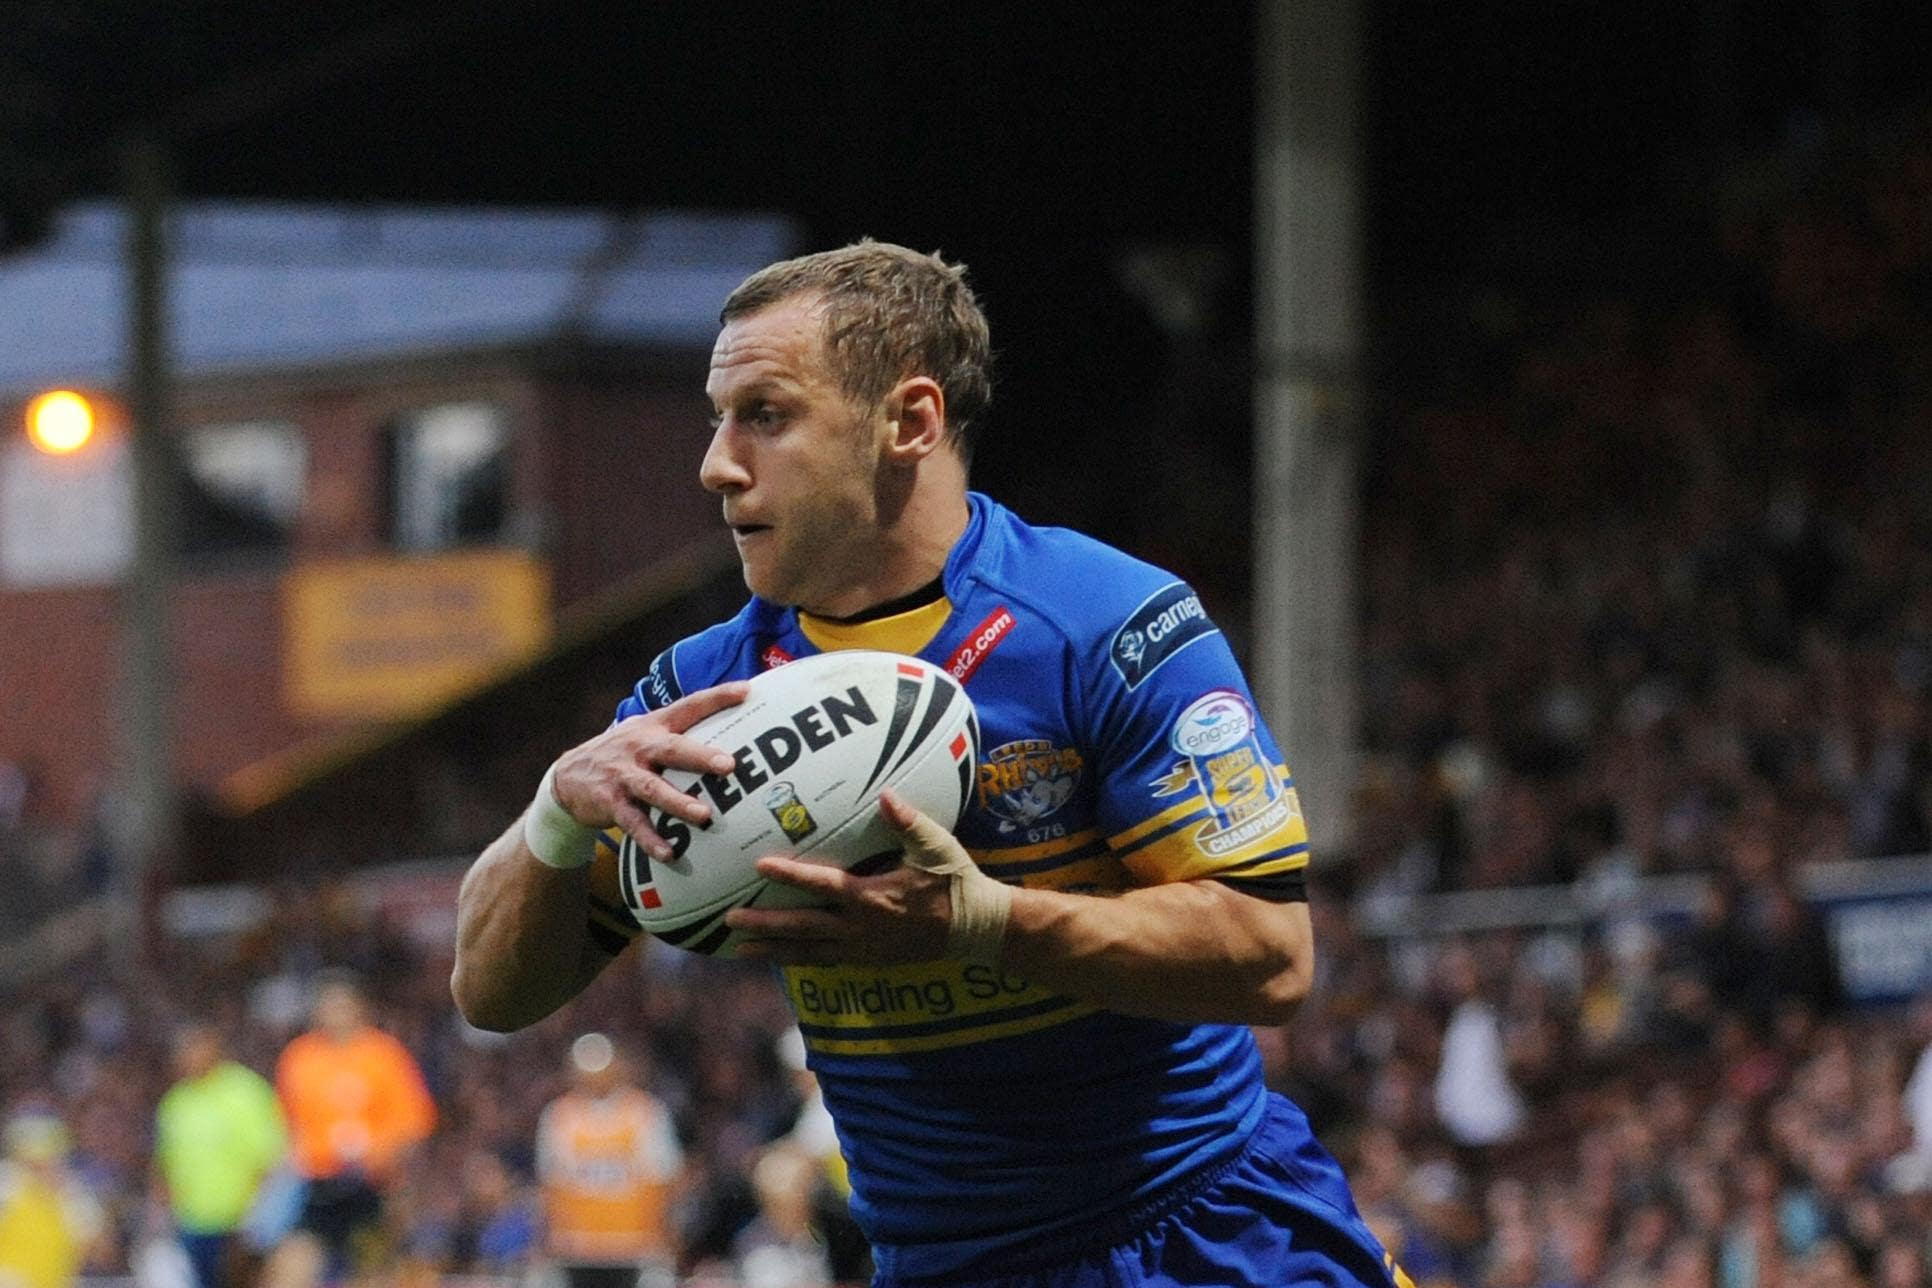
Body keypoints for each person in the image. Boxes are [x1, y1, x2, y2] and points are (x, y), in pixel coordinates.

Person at [454, 241, 1413, 1287]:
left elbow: (1271, 952)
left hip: (1203, 1238)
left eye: (765, 415)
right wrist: (554, 811)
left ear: (909, 422)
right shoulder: (702, 695)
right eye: (718, 417)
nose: (717, 462)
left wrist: (984, 920)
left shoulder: (1105, 624)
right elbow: (492, 993)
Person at [267, 973, 436, 1288]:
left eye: (343, 1006)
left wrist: (385, 1161)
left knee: (374, 1273)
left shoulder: (384, 1055)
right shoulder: (300, 1058)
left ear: (360, 1008)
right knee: (292, 1267)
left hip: (373, 1184)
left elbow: (414, 1122)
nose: (336, 1014)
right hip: (318, 1185)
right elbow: (287, 1125)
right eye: (328, 1006)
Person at [535, 1033, 683, 1288]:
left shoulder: (644, 1112)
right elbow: (550, 1182)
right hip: (577, 1248)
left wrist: (666, 1233)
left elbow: (665, 1177)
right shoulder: (560, 1116)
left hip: (636, 1245)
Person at [152, 1024, 289, 1288]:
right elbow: (165, 1163)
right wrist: (163, 1213)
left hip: (238, 1223)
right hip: (191, 1221)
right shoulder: (176, 1102)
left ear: (214, 1048)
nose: (187, 1057)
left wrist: (257, 1216)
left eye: (194, 1049)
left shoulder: (245, 1093)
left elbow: (270, 1157)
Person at [0, 1111, 104, 1288]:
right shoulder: (7, 1185)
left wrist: (80, 1214)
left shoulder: (73, 1196)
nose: (47, 1168)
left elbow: (101, 1253)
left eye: (52, 1159)